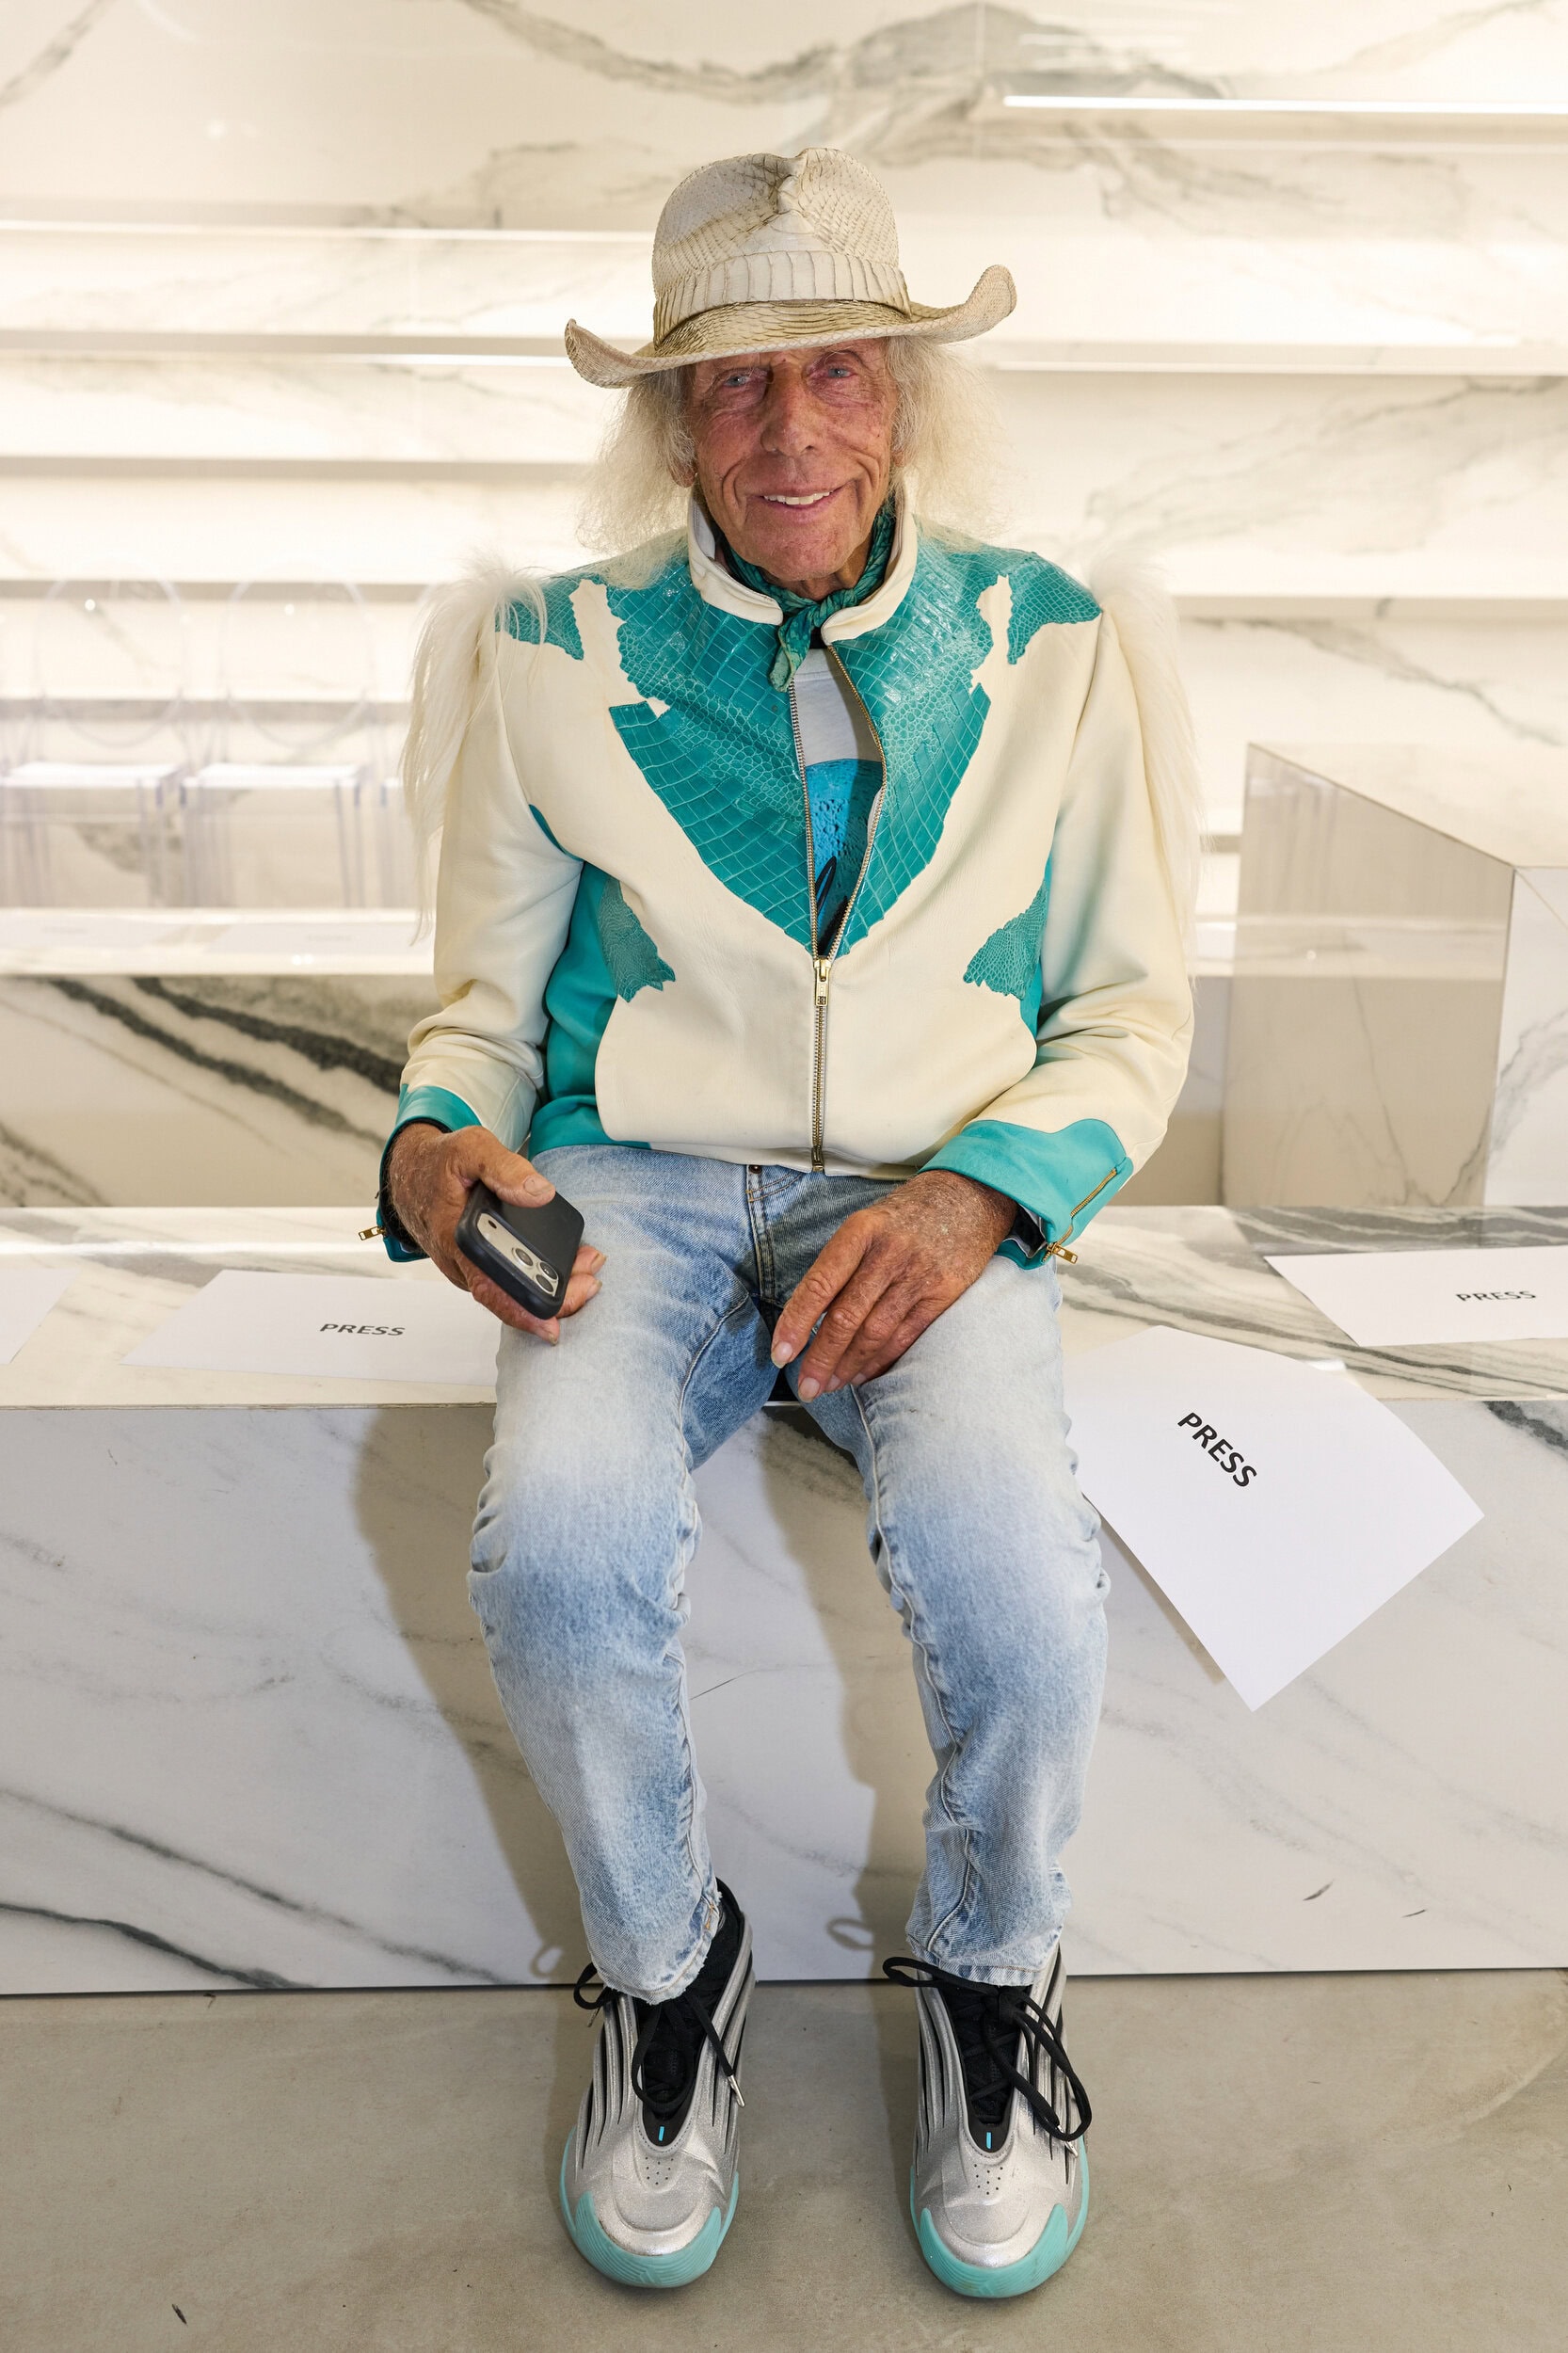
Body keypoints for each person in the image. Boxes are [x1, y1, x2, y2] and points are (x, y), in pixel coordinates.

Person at [376, 145, 1197, 2300]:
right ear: (670, 425)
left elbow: (1124, 1014)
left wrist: (977, 1190)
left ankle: (990, 1973)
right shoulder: (547, 652)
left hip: (939, 1185)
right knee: (553, 1556)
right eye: (732, 384)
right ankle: (668, 1976)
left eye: (835, 369)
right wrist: (434, 1142)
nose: (789, 429)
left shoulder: (1056, 642)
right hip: (631, 1187)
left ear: (903, 393)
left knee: (1017, 1587)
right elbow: (478, 1016)